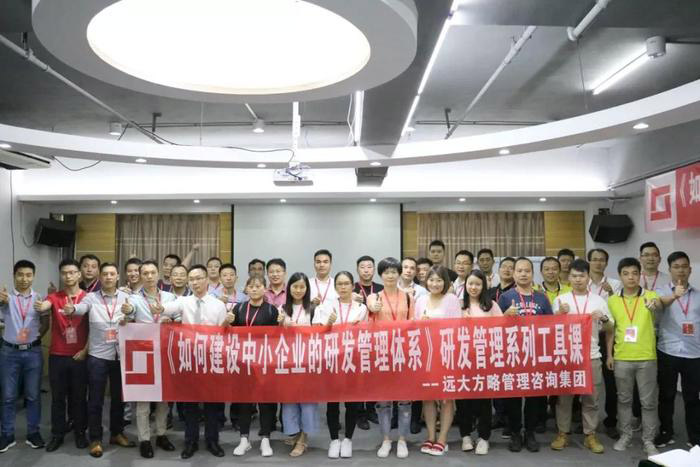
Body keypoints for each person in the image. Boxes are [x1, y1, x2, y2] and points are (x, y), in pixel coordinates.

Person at [63, 262, 136, 457]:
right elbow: (81, 308)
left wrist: (129, 314)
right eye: (105, 274)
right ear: (100, 277)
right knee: (95, 399)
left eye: (112, 274)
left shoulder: (127, 297)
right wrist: (72, 309)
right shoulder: (91, 297)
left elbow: (135, 314)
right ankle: (95, 438)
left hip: (120, 355)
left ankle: (117, 433)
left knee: (119, 398)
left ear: (118, 276)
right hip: (97, 356)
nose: (109, 277)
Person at [161, 264, 228, 459]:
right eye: (191, 279)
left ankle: (212, 440)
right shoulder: (183, 301)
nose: (195, 282)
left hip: (211, 358)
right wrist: (159, 308)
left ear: (207, 280)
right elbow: (164, 308)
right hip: (189, 358)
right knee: (190, 403)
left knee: (212, 403)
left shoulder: (218, 305)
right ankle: (190, 442)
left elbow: (223, 333)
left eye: (198, 278)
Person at [550, 259, 612, 454]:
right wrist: (559, 313)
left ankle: (590, 435)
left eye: (582, 276)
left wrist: (603, 318)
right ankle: (563, 433)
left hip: (591, 355)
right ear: (569, 277)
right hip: (567, 356)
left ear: (588, 277)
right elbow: (550, 328)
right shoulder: (561, 300)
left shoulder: (598, 300)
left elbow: (610, 327)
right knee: (564, 398)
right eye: (574, 276)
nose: (578, 279)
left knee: (591, 398)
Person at [606, 257, 662, 456]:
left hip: (647, 357)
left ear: (640, 275)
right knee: (624, 401)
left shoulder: (651, 296)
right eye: (626, 273)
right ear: (620, 276)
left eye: (634, 273)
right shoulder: (612, 300)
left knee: (649, 403)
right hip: (622, 357)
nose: (631, 277)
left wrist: (655, 307)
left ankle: (649, 440)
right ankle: (626, 435)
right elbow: (611, 330)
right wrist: (609, 355)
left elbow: (659, 311)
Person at [497, 257, 553, 453]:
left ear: (532, 274)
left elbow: (551, 325)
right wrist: (505, 316)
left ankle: (529, 433)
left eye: (527, 271)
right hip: (513, 354)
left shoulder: (541, 298)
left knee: (534, 397)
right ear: (514, 274)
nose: (523, 274)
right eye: (519, 271)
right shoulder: (505, 298)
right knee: (513, 396)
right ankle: (515, 433)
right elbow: (494, 327)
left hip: (536, 354)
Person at [123, 261, 177, 458]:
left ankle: (161, 434)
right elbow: (128, 313)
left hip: (164, 352)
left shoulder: (169, 297)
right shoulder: (133, 299)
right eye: (145, 273)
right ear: (140, 276)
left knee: (163, 398)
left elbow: (179, 318)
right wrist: (127, 311)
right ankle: (144, 439)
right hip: (142, 353)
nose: (149, 276)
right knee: (143, 399)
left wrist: (171, 320)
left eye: (152, 272)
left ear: (158, 274)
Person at [312, 271, 368, 459]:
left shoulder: (361, 308)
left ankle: (348, 440)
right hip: (332, 359)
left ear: (353, 286)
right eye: (340, 284)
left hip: (353, 360)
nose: (343, 287)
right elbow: (316, 332)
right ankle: (334, 439)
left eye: (346, 284)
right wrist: (328, 324)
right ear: (335, 286)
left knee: (352, 402)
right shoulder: (326, 306)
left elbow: (366, 334)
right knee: (333, 402)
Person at [366, 258, 414, 458]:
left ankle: (402, 439)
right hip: (382, 353)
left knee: (404, 400)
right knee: (383, 400)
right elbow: (369, 318)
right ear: (381, 275)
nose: (391, 275)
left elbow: (412, 323)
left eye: (394, 272)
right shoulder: (374, 297)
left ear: (399, 274)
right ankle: (386, 439)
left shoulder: (408, 297)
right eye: (386, 272)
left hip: (403, 353)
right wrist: (372, 308)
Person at [0, 260, 50, 452]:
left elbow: (45, 322)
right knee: (8, 396)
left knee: (33, 395)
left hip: (32, 353)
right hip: (9, 352)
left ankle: (33, 433)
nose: (24, 279)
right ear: (14, 276)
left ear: (33, 276)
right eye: (20, 274)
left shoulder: (39, 299)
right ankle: (7, 435)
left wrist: (35, 339)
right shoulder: (6, 298)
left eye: (28, 275)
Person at [229, 276, 279, 458]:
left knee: (266, 402)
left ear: (265, 289)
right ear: (246, 289)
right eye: (251, 286)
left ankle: (265, 438)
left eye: (258, 286)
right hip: (244, 361)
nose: (255, 289)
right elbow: (231, 334)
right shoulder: (239, 308)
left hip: (265, 361)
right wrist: (228, 321)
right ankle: (244, 439)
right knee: (244, 402)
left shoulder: (272, 310)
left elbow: (277, 337)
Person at [414, 265, 461, 456]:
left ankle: (442, 438)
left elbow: (457, 328)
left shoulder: (451, 299)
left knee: (446, 398)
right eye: (431, 280)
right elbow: (413, 328)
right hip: (426, 355)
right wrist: (421, 324)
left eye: (439, 280)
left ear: (445, 282)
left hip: (446, 354)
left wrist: (435, 324)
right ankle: (431, 436)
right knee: (428, 396)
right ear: (426, 281)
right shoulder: (420, 300)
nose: (435, 284)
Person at [42, 259, 89, 452]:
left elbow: (95, 328)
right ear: (61, 276)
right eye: (64, 273)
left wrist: (85, 351)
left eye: (72, 272)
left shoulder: (88, 298)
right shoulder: (54, 297)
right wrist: (39, 304)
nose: (68, 276)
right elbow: (43, 306)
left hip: (80, 356)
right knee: (58, 398)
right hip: (58, 355)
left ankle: (80, 433)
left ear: (79, 274)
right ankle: (57, 434)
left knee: (79, 397)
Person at [654, 251, 700, 448]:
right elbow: (657, 307)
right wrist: (674, 295)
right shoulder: (660, 292)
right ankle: (666, 432)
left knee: (692, 397)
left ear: (690, 269)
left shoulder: (698, 295)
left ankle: (695, 437)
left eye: (684, 266)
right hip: (668, 350)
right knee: (666, 395)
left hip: (694, 353)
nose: (681, 270)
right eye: (676, 267)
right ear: (669, 270)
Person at [457, 269, 502, 456]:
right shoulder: (459, 305)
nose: (473, 287)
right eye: (470, 284)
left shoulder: (491, 305)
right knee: (464, 400)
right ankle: (465, 435)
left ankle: (484, 437)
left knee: (484, 400)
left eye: (477, 284)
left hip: (485, 359)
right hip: (463, 359)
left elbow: (501, 329)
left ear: (484, 286)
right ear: (465, 285)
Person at [278, 272, 319, 457]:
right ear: (289, 289)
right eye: (295, 286)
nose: (298, 290)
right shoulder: (282, 308)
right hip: (287, 361)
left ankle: (303, 438)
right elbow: (275, 336)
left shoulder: (314, 308)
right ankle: (294, 432)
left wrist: (296, 327)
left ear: (307, 289)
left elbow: (319, 333)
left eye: (302, 287)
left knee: (307, 400)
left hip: (308, 360)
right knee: (289, 400)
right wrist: (280, 324)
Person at [587, 247, 623, 439]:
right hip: (587, 336)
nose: (598, 263)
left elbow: (621, 307)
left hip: (609, 335)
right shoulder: (582, 283)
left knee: (611, 381)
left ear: (606, 263)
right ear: (589, 262)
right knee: (587, 380)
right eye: (594, 259)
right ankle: (585, 420)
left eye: (602, 259)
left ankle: (611, 421)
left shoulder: (615, 284)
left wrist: (612, 293)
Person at [351, 255, 383, 430]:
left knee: (373, 375)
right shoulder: (352, 288)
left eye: (369, 266)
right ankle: (359, 412)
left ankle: (371, 409)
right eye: (362, 267)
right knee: (358, 377)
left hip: (376, 338)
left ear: (374, 269)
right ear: (357, 269)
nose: (366, 270)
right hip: (356, 339)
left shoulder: (380, 289)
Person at [398, 257, 427, 434]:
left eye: (412, 268)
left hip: (416, 339)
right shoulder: (392, 287)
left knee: (415, 379)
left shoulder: (422, 291)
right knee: (397, 379)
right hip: (397, 339)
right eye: (405, 267)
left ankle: (415, 418)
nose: (408, 270)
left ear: (416, 272)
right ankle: (395, 416)